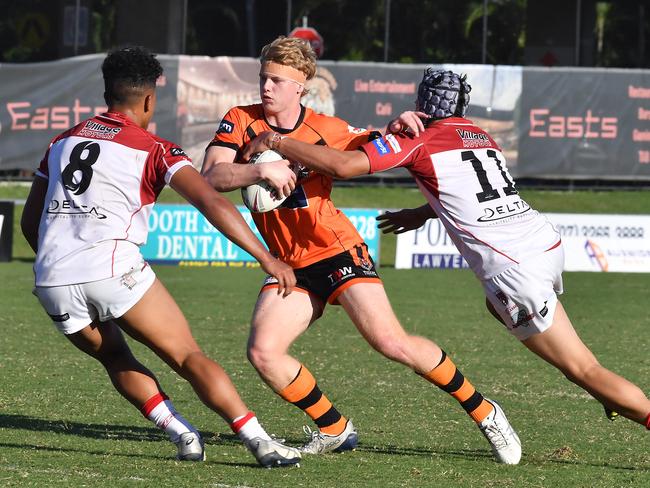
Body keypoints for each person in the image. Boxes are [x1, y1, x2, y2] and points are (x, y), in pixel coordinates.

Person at [242, 68, 650, 434]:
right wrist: (426, 211)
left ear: (423, 103)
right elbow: (473, 189)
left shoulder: (420, 138)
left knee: (583, 369)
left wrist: (276, 140)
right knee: (502, 311)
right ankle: (608, 393)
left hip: (514, 268)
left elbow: (344, 167)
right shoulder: (480, 134)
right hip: (543, 241)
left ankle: (623, 402)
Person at [201, 36, 522, 464]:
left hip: (336, 250)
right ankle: (334, 428)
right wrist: (259, 169)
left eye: (278, 81)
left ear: (301, 86)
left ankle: (486, 412)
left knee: (391, 342)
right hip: (288, 261)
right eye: (264, 78)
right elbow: (211, 177)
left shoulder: (327, 128)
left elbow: (381, 144)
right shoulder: (240, 119)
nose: (267, 87)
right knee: (263, 352)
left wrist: (398, 125)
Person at [20, 46, 302, 468]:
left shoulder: (62, 141)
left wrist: (63, 265)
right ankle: (260, 442)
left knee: (114, 357)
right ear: (149, 99)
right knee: (188, 356)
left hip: (52, 279)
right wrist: (268, 258)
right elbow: (212, 202)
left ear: (106, 92)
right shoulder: (156, 148)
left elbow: (31, 222)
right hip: (113, 269)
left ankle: (182, 434)